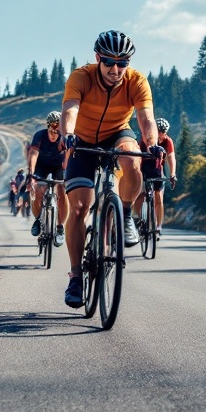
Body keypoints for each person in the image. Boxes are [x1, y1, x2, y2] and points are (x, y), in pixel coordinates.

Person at [59, 31, 164, 309]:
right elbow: (70, 110)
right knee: (80, 208)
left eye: (122, 63)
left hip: (117, 132)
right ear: (98, 59)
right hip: (81, 138)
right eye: (109, 61)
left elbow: (146, 117)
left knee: (132, 159)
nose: (115, 69)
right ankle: (76, 276)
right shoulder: (81, 77)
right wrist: (68, 134)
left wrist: (151, 143)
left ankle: (126, 212)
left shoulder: (137, 81)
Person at [27, 110, 68, 248]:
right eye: (52, 127)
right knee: (38, 188)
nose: (54, 131)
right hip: (42, 165)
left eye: (57, 128)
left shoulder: (64, 137)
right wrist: (31, 175)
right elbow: (33, 155)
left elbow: (69, 155)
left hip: (58, 166)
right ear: (48, 126)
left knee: (62, 191)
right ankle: (38, 219)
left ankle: (60, 227)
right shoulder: (40, 136)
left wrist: (68, 173)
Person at [135, 117, 177, 239]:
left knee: (158, 197)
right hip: (143, 169)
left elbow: (171, 158)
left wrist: (172, 174)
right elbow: (137, 158)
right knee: (140, 195)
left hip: (158, 171)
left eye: (163, 132)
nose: (160, 134)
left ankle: (158, 226)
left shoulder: (167, 141)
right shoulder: (145, 140)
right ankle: (140, 220)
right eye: (158, 131)